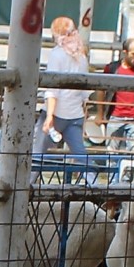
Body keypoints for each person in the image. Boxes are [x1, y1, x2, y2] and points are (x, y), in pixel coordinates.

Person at [37, 16, 91, 163]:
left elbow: (53, 88)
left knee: (37, 154)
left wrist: (49, 116)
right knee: (81, 155)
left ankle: (25, 185)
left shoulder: (57, 53)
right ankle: (95, 184)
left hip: (56, 114)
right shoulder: (81, 55)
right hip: (75, 114)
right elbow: (85, 90)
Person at [101, 37, 134, 153]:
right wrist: (100, 113)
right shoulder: (112, 68)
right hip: (115, 117)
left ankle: (127, 171)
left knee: (133, 152)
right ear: (125, 52)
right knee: (111, 153)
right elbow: (100, 89)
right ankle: (114, 171)